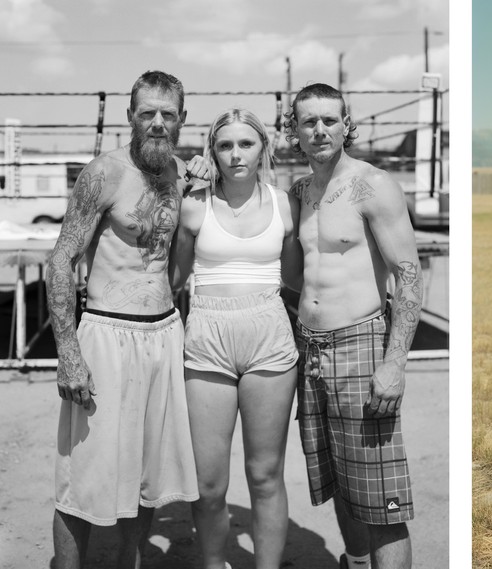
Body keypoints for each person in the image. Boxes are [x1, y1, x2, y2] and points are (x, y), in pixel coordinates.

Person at [46, 70, 199, 569]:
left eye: (167, 114)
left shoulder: (180, 176)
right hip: (106, 335)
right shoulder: (104, 174)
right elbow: (61, 261)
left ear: (181, 119)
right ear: (129, 115)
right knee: (84, 477)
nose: (157, 122)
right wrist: (69, 355)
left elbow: (176, 268)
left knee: (146, 475)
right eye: (147, 112)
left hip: (163, 334)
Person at [284, 83, 422, 569]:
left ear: (347, 125)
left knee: (381, 496)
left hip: (360, 342)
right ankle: (356, 563)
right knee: (340, 480)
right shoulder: (300, 192)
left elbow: (407, 275)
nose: (319, 129)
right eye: (308, 121)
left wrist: (394, 364)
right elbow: (294, 275)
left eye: (329, 120)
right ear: (293, 129)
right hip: (310, 349)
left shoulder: (374, 185)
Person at [170, 107, 302, 569]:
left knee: (265, 475)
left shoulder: (286, 204)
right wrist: (181, 188)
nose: (235, 153)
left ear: (263, 147)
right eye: (224, 145)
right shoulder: (194, 204)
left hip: (269, 334)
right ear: (212, 152)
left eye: (246, 143)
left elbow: (298, 277)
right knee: (208, 483)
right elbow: (174, 277)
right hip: (207, 335)